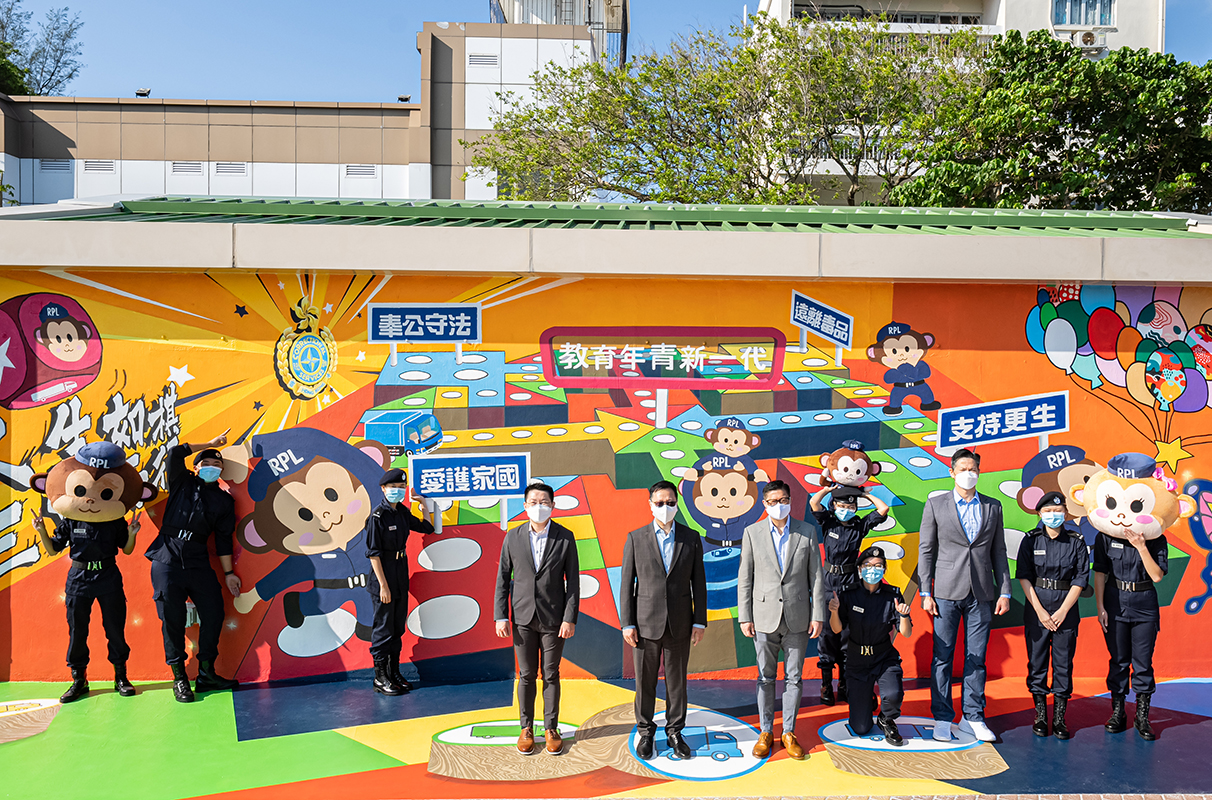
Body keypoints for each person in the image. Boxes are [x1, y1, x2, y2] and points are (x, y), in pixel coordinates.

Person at [30, 441, 150, 703]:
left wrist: (132, 535)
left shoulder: (114, 519)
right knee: (77, 630)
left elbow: (126, 550)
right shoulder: (71, 519)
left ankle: (121, 676)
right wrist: (41, 532)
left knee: (114, 628)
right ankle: (78, 680)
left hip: (108, 576)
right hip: (78, 578)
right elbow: (53, 550)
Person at [918, 448, 1011, 743]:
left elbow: (999, 551)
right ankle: (942, 717)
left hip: (982, 592)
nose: (968, 474)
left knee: (977, 657)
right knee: (942, 657)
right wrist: (925, 591)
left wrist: (1005, 590)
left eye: (973, 469)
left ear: (979, 472)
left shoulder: (992, 507)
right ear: (952, 472)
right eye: (963, 469)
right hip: (945, 592)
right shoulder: (936, 505)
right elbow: (926, 550)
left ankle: (973, 716)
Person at [144, 432, 241, 703]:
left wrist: (229, 574)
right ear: (196, 467)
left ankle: (207, 673)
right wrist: (211, 444)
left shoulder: (224, 501)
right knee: (171, 619)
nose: (213, 467)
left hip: (199, 562)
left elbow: (223, 541)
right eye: (207, 462)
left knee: (215, 612)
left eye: (218, 465)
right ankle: (179, 678)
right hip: (166, 559)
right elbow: (174, 453)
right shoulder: (181, 482)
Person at [737, 480, 827, 760]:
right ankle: (766, 731)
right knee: (765, 677)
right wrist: (745, 616)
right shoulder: (752, 533)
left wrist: (818, 614)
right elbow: (745, 577)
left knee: (794, 678)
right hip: (763, 617)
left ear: (790, 501)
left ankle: (789, 731)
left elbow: (816, 576)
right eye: (773, 501)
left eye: (784, 499)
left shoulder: (807, 531)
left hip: (798, 617)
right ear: (764, 505)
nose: (779, 505)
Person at [620, 480, 707, 760]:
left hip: (681, 622)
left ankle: (675, 732)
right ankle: (646, 732)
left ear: (677, 504)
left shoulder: (691, 537)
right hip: (645, 625)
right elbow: (626, 584)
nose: (665, 507)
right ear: (650, 504)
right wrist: (627, 623)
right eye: (659, 503)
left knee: (677, 681)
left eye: (670, 502)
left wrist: (700, 621)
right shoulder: (636, 538)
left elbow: (699, 583)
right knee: (644, 683)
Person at [493, 481, 580, 755]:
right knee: (527, 674)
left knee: (551, 674)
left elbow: (573, 583)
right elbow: (502, 579)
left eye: (544, 502)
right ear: (525, 506)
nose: (539, 507)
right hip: (522, 618)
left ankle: (551, 728)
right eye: (534, 502)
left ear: (552, 506)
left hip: (554, 619)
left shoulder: (565, 538)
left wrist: (569, 618)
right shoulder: (513, 537)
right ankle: (526, 727)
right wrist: (500, 615)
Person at [1092, 454, 1169, 741]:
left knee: (1143, 662)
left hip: (1144, 603)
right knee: (1119, 660)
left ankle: (1142, 715)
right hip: (1114, 600)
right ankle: (1118, 711)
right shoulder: (1104, 535)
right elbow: (1100, 573)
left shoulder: (1155, 536)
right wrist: (1100, 606)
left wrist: (1141, 547)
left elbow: (1158, 575)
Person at [1016, 490, 1089, 739]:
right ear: (1039, 513)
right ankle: (1040, 715)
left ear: (1065, 513)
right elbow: (1024, 576)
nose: (1053, 515)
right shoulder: (1031, 540)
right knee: (1037, 662)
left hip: (1065, 609)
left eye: (1058, 511)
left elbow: (1080, 578)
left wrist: (1062, 611)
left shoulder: (1077, 541)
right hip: (1037, 607)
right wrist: (1039, 611)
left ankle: (1059, 717)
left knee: (1063, 663)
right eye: (1047, 511)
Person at [809, 482, 890, 705]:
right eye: (841, 504)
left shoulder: (858, 525)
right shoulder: (828, 521)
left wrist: (863, 494)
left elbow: (882, 510)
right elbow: (814, 502)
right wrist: (828, 489)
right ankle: (827, 684)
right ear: (834, 505)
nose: (846, 508)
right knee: (827, 634)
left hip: (851, 582)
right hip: (828, 582)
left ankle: (845, 684)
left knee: (848, 634)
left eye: (850, 505)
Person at [828, 546, 912, 745]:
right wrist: (834, 611)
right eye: (867, 565)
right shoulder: (848, 594)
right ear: (859, 569)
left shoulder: (892, 595)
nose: (872, 569)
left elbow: (906, 633)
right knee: (860, 728)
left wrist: (904, 615)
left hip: (883, 656)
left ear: (884, 570)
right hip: (857, 660)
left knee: (893, 695)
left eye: (878, 566)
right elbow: (837, 629)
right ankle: (865, 700)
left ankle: (886, 718)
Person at [365, 468, 434, 696]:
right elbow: (373, 554)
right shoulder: (377, 517)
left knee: (396, 627)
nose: (398, 491)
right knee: (383, 628)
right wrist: (383, 586)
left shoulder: (401, 512)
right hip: (383, 576)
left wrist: (422, 504)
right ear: (383, 489)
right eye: (393, 488)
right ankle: (380, 677)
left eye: (401, 488)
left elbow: (426, 527)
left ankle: (394, 673)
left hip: (400, 573)